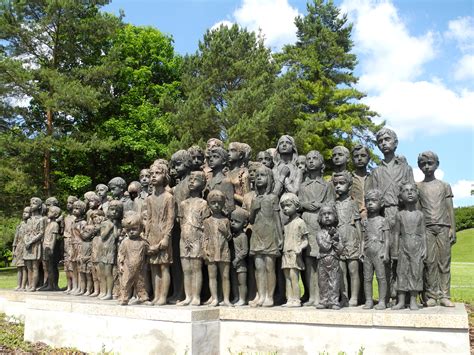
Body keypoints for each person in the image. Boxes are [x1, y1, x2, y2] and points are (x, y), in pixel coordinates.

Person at [366, 128, 414, 303]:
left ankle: (403, 295)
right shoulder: (376, 172)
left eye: (387, 139)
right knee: (384, 257)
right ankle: (386, 296)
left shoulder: (406, 168)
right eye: (380, 141)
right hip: (384, 216)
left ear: (396, 142)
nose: (384, 143)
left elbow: (411, 193)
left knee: (401, 256)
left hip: (401, 215)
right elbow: (373, 196)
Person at [416, 151, 456, 307]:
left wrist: (453, 227)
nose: (426, 167)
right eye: (423, 164)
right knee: (429, 262)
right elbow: (418, 211)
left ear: (437, 164)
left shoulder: (444, 186)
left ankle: (445, 295)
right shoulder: (418, 187)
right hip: (426, 228)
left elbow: (449, 208)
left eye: (430, 163)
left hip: (443, 227)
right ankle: (431, 295)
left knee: (444, 262)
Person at [298, 150, 335, 306]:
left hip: (320, 224)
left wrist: (320, 205)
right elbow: (298, 203)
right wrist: (305, 204)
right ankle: (311, 295)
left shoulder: (328, 185)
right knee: (308, 261)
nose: (311, 161)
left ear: (321, 163)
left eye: (315, 158)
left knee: (320, 260)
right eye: (309, 159)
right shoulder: (303, 185)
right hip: (307, 222)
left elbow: (332, 204)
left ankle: (322, 295)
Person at [249, 165, 283, 307]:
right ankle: (260, 295)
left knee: (269, 267)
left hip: (270, 235)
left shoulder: (273, 198)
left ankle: (269, 296)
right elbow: (251, 220)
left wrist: (280, 238)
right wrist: (253, 209)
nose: (259, 178)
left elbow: (277, 219)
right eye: (257, 176)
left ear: (269, 179)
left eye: (262, 175)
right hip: (257, 235)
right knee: (259, 267)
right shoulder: (254, 199)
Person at [177, 171, 210, 306]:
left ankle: (196, 296)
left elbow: (206, 224)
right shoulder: (183, 203)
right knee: (186, 269)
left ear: (202, 184)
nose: (192, 182)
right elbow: (180, 222)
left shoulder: (204, 203)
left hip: (198, 237)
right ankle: (188, 296)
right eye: (190, 179)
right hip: (184, 238)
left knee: (196, 268)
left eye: (196, 179)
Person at [392, 183, 426, 310]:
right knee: (401, 272)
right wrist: (395, 250)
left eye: (412, 190)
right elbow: (396, 234)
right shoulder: (399, 215)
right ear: (401, 197)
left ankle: (413, 300)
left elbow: (423, 233)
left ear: (417, 194)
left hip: (417, 247)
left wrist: (425, 248)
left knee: (415, 273)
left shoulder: (420, 215)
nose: (410, 192)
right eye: (406, 191)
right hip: (403, 247)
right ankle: (401, 301)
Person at [145, 162, 175, 305]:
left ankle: (163, 296)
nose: (154, 176)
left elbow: (171, 219)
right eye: (152, 174)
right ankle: (156, 296)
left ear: (165, 176)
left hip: (163, 234)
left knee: (164, 266)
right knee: (154, 267)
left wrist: (166, 237)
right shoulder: (149, 198)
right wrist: (146, 237)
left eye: (157, 173)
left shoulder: (169, 197)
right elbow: (149, 219)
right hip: (152, 235)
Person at [333, 171, 362, 307]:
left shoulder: (353, 203)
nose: (338, 186)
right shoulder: (334, 204)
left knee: (353, 270)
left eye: (341, 183)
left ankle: (354, 297)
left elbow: (358, 224)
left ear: (349, 185)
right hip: (339, 238)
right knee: (341, 271)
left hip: (351, 238)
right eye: (336, 184)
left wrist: (361, 244)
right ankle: (343, 297)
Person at [361, 189, 390, 310]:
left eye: (374, 201)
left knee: (381, 277)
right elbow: (362, 239)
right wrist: (361, 251)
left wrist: (386, 252)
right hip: (367, 252)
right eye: (368, 201)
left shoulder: (383, 220)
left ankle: (382, 301)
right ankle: (368, 300)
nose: (370, 203)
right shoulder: (365, 221)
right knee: (367, 278)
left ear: (381, 203)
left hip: (379, 251)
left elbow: (387, 239)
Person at [203, 190, 232, 307]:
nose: (216, 205)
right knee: (212, 276)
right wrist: (204, 250)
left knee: (225, 276)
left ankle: (226, 299)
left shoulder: (226, 220)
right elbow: (205, 237)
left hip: (224, 250)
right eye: (213, 203)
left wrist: (225, 232)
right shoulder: (207, 221)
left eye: (219, 203)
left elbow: (229, 237)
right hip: (211, 250)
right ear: (209, 204)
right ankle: (214, 298)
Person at [280, 193, 308, 307]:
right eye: (283, 207)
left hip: (295, 254)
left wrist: (300, 247)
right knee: (287, 277)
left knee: (293, 277)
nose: (285, 209)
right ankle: (289, 299)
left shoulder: (300, 222)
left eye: (288, 205)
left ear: (296, 206)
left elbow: (305, 240)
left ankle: (296, 299)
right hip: (286, 253)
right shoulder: (286, 224)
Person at [117, 211, 149, 306]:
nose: (131, 231)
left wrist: (157, 248)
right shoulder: (125, 242)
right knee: (125, 283)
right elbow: (121, 255)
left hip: (140, 268)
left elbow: (149, 250)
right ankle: (124, 298)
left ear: (141, 228)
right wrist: (121, 265)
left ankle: (143, 298)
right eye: (128, 230)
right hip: (128, 267)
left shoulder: (143, 242)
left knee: (140, 283)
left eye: (134, 229)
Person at [316, 204, 343, 310]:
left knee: (334, 281)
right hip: (322, 259)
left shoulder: (338, 233)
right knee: (322, 281)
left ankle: (334, 301)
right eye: (324, 214)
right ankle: (323, 300)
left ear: (335, 216)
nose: (327, 216)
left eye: (329, 214)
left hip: (334, 260)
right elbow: (324, 247)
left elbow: (340, 250)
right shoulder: (320, 234)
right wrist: (332, 238)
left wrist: (336, 240)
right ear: (320, 218)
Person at [98, 199, 123, 300]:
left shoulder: (118, 224)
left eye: (116, 211)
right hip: (103, 248)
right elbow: (103, 236)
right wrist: (110, 226)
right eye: (112, 210)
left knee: (109, 273)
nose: (114, 212)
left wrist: (115, 226)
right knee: (102, 273)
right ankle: (103, 291)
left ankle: (109, 292)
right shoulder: (104, 223)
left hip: (110, 250)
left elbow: (116, 236)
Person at [24, 197, 46, 292]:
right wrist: (26, 241)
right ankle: (29, 285)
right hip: (27, 245)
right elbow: (26, 233)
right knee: (28, 267)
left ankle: (33, 286)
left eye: (34, 203)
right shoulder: (28, 220)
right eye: (31, 203)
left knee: (35, 266)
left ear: (39, 206)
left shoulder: (41, 219)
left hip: (35, 245)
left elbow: (41, 233)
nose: (32, 204)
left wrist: (31, 241)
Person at [206, 146, 235, 215]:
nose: (211, 159)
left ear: (224, 161)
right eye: (210, 157)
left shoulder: (226, 182)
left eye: (215, 157)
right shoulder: (208, 182)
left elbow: (230, 206)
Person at [230, 207, 250, 306]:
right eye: (232, 220)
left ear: (244, 224)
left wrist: (237, 259)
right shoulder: (233, 236)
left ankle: (242, 299)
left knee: (242, 283)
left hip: (241, 264)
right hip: (233, 264)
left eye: (236, 221)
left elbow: (245, 251)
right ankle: (236, 297)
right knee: (234, 282)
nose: (233, 223)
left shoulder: (243, 236)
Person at [41, 206, 61, 291]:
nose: (48, 213)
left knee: (51, 267)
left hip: (49, 247)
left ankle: (51, 285)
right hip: (45, 246)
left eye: (51, 212)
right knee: (46, 267)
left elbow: (53, 238)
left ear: (55, 214)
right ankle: (47, 284)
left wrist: (51, 248)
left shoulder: (55, 225)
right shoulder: (49, 223)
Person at [70, 200, 88, 295]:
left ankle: (81, 288)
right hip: (73, 246)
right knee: (74, 267)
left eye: (77, 209)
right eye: (74, 208)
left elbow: (84, 236)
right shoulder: (73, 222)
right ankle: (75, 286)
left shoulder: (83, 223)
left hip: (80, 245)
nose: (75, 210)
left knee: (80, 268)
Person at [351, 144, 371, 220]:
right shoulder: (348, 179)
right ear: (352, 159)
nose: (359, 158)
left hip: (372, 218)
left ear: (369, 158)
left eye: (363, 155)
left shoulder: (374, 178)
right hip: (354, 219)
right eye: (356, 156)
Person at [12, 207, 30, 291]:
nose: (24, 214)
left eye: (26, 212)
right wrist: (13, 249)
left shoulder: (30, 225)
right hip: (19, 248)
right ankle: (18, 285)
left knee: (24, 268)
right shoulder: (20, 225)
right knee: (19, 268)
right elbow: (15, 238)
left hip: (26, 248)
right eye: (24, 212)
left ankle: (24, 285)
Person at [63, 196, 78, 294]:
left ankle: (75, 286)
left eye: (71, 202)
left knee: (73, 265)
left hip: (73, 242)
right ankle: (69, 286)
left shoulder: (76, 218)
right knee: (66, 265)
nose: (68, 204)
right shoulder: (66, 217)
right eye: (67, 202)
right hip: (66, 241)